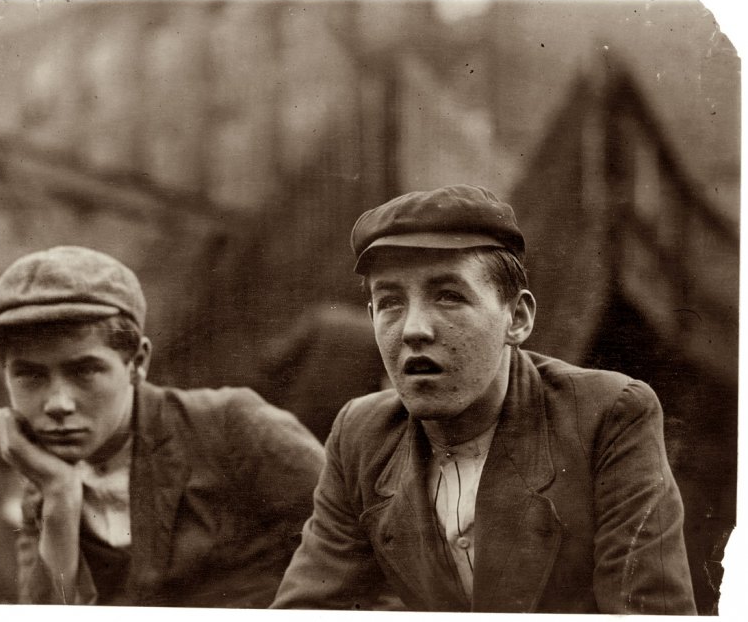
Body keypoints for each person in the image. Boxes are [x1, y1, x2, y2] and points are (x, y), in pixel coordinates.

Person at [273, 184, 697, 613]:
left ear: (517, 318)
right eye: (390, 303)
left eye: (450, 296)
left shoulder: (608, 415)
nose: (413, 329)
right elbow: (308, 607)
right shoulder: (360, 434)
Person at [0, 245, 324, 606]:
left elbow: (360, 548)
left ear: (137, 362)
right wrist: (59, 496)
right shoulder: (43, 478)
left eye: (85, 371)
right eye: (29, 376)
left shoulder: (231, 425)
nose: (58, 403)